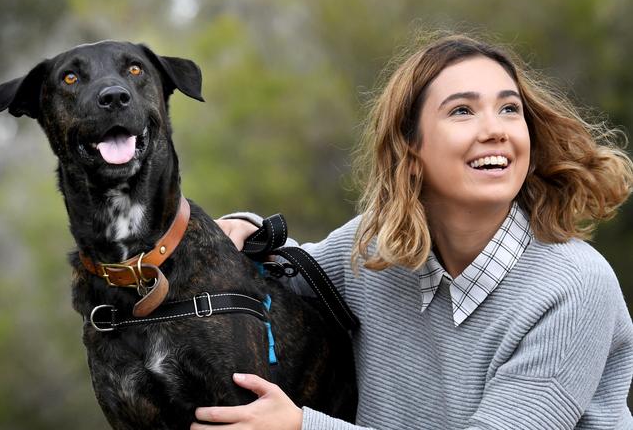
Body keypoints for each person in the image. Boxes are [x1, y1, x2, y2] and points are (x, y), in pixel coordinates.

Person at [190, 34, 633, 430]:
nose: (495, 130)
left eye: (509, 109)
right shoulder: (376, 249)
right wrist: (245, 228)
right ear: (412, 148)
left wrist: (302, 428)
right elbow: (289, 269)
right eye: (463, 110)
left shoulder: (574, 286)